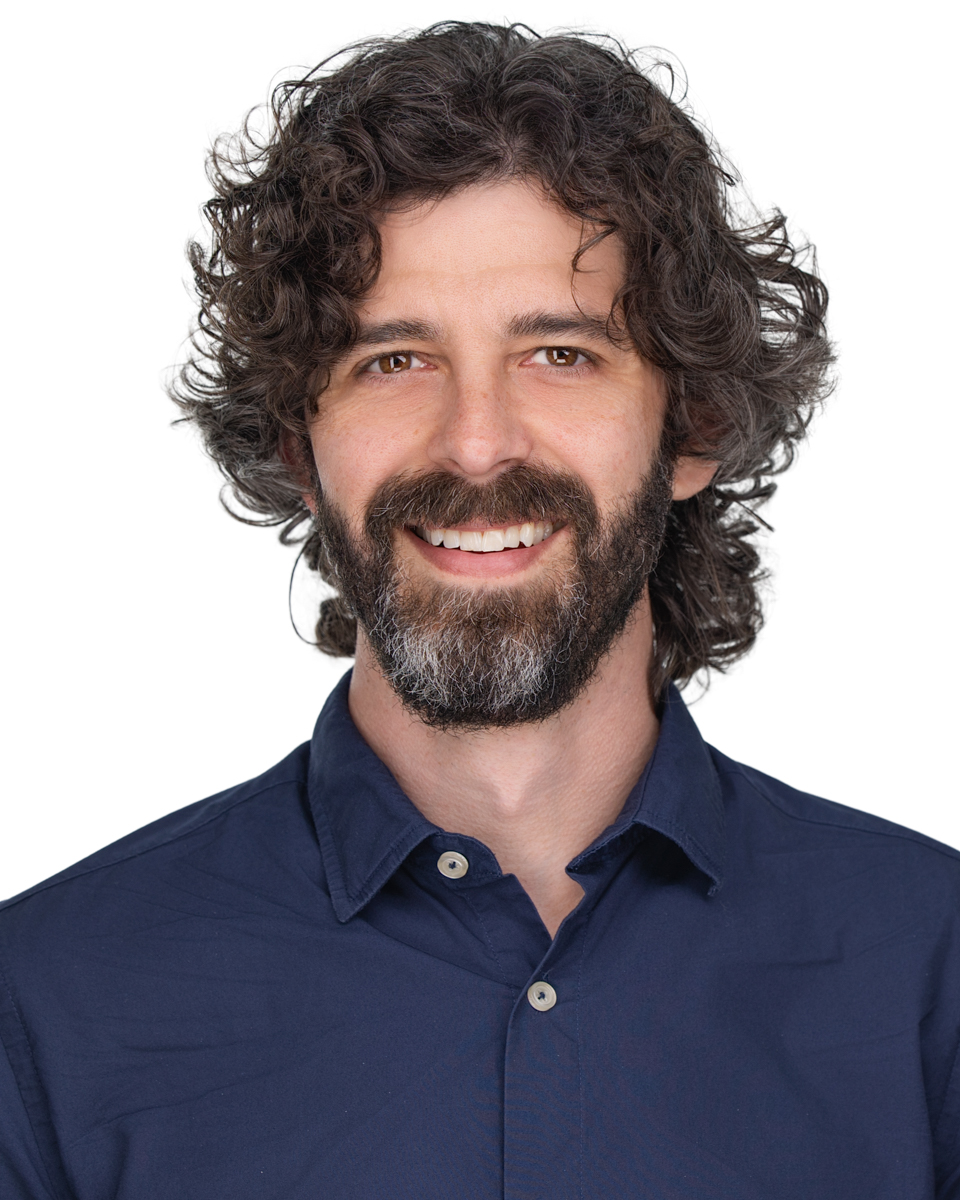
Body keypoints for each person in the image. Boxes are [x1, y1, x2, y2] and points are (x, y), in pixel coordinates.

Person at [1, 21, 957, 1199]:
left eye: (560, 353)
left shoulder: (933, 973)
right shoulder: (46, 1007)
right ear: (300, 448)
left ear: (694, 426)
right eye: (393, 361)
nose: (476, 443)